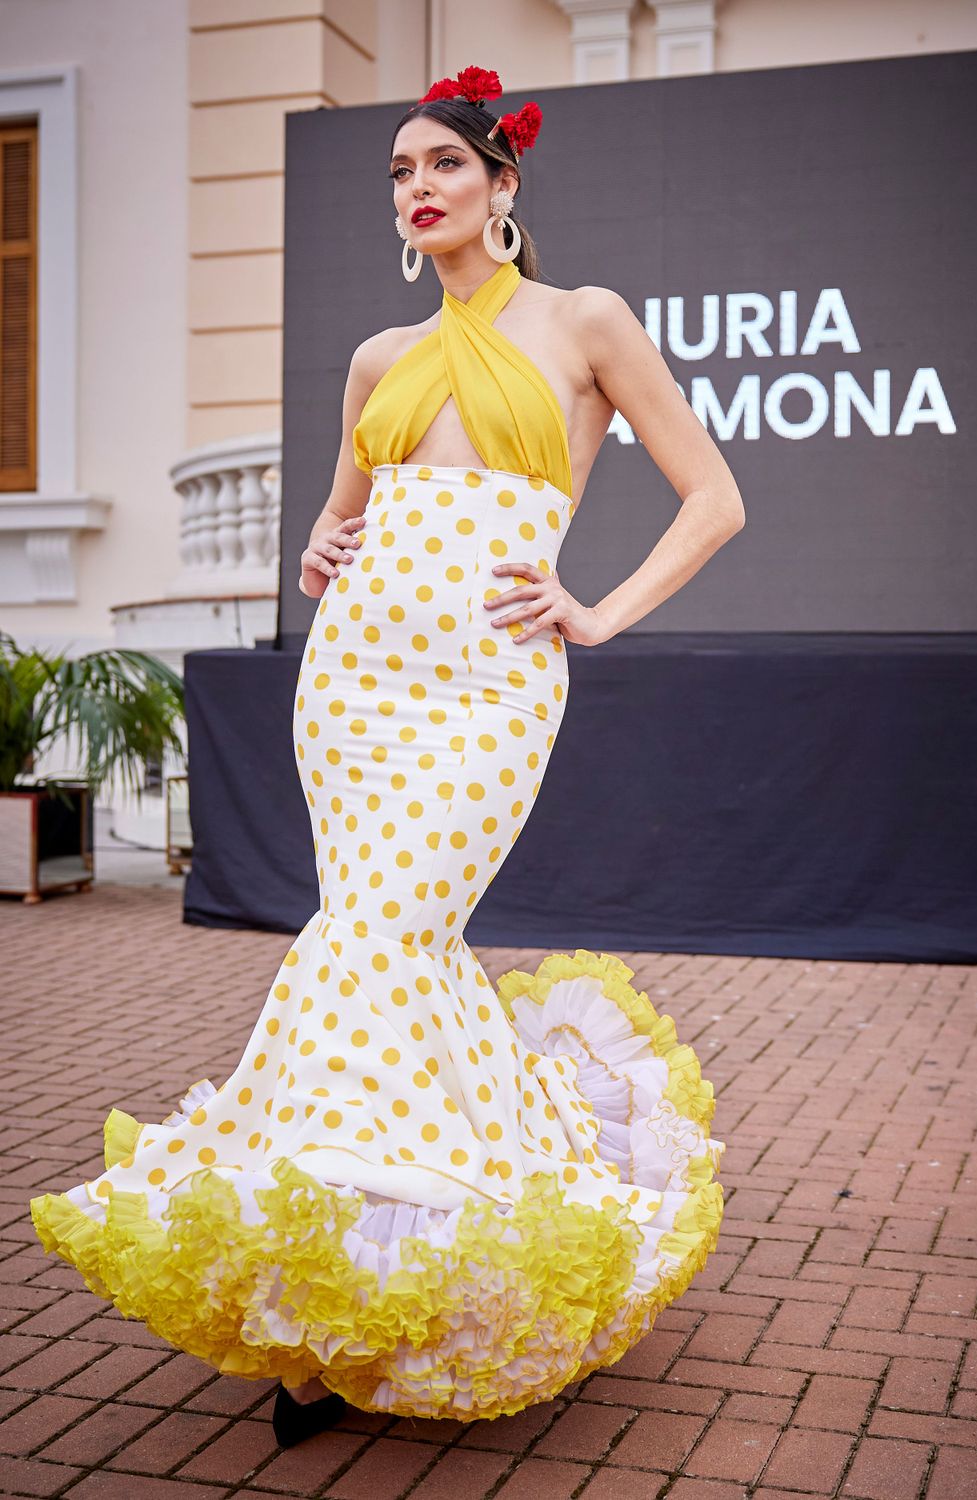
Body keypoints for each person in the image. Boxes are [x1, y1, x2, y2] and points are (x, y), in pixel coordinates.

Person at [29, 63, 744, 1449]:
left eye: (445, 165)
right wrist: (319, 550)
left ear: (503, 183)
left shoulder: (586, 321)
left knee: (377, 935)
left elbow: (715, 498)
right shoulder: (377, 357)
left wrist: (597, 611)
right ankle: (356, 1281)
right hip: (354, 685)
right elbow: (336, 524)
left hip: (486, 687)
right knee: (378, 946)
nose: (419, 188)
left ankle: (355, 1271)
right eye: (402, 172)